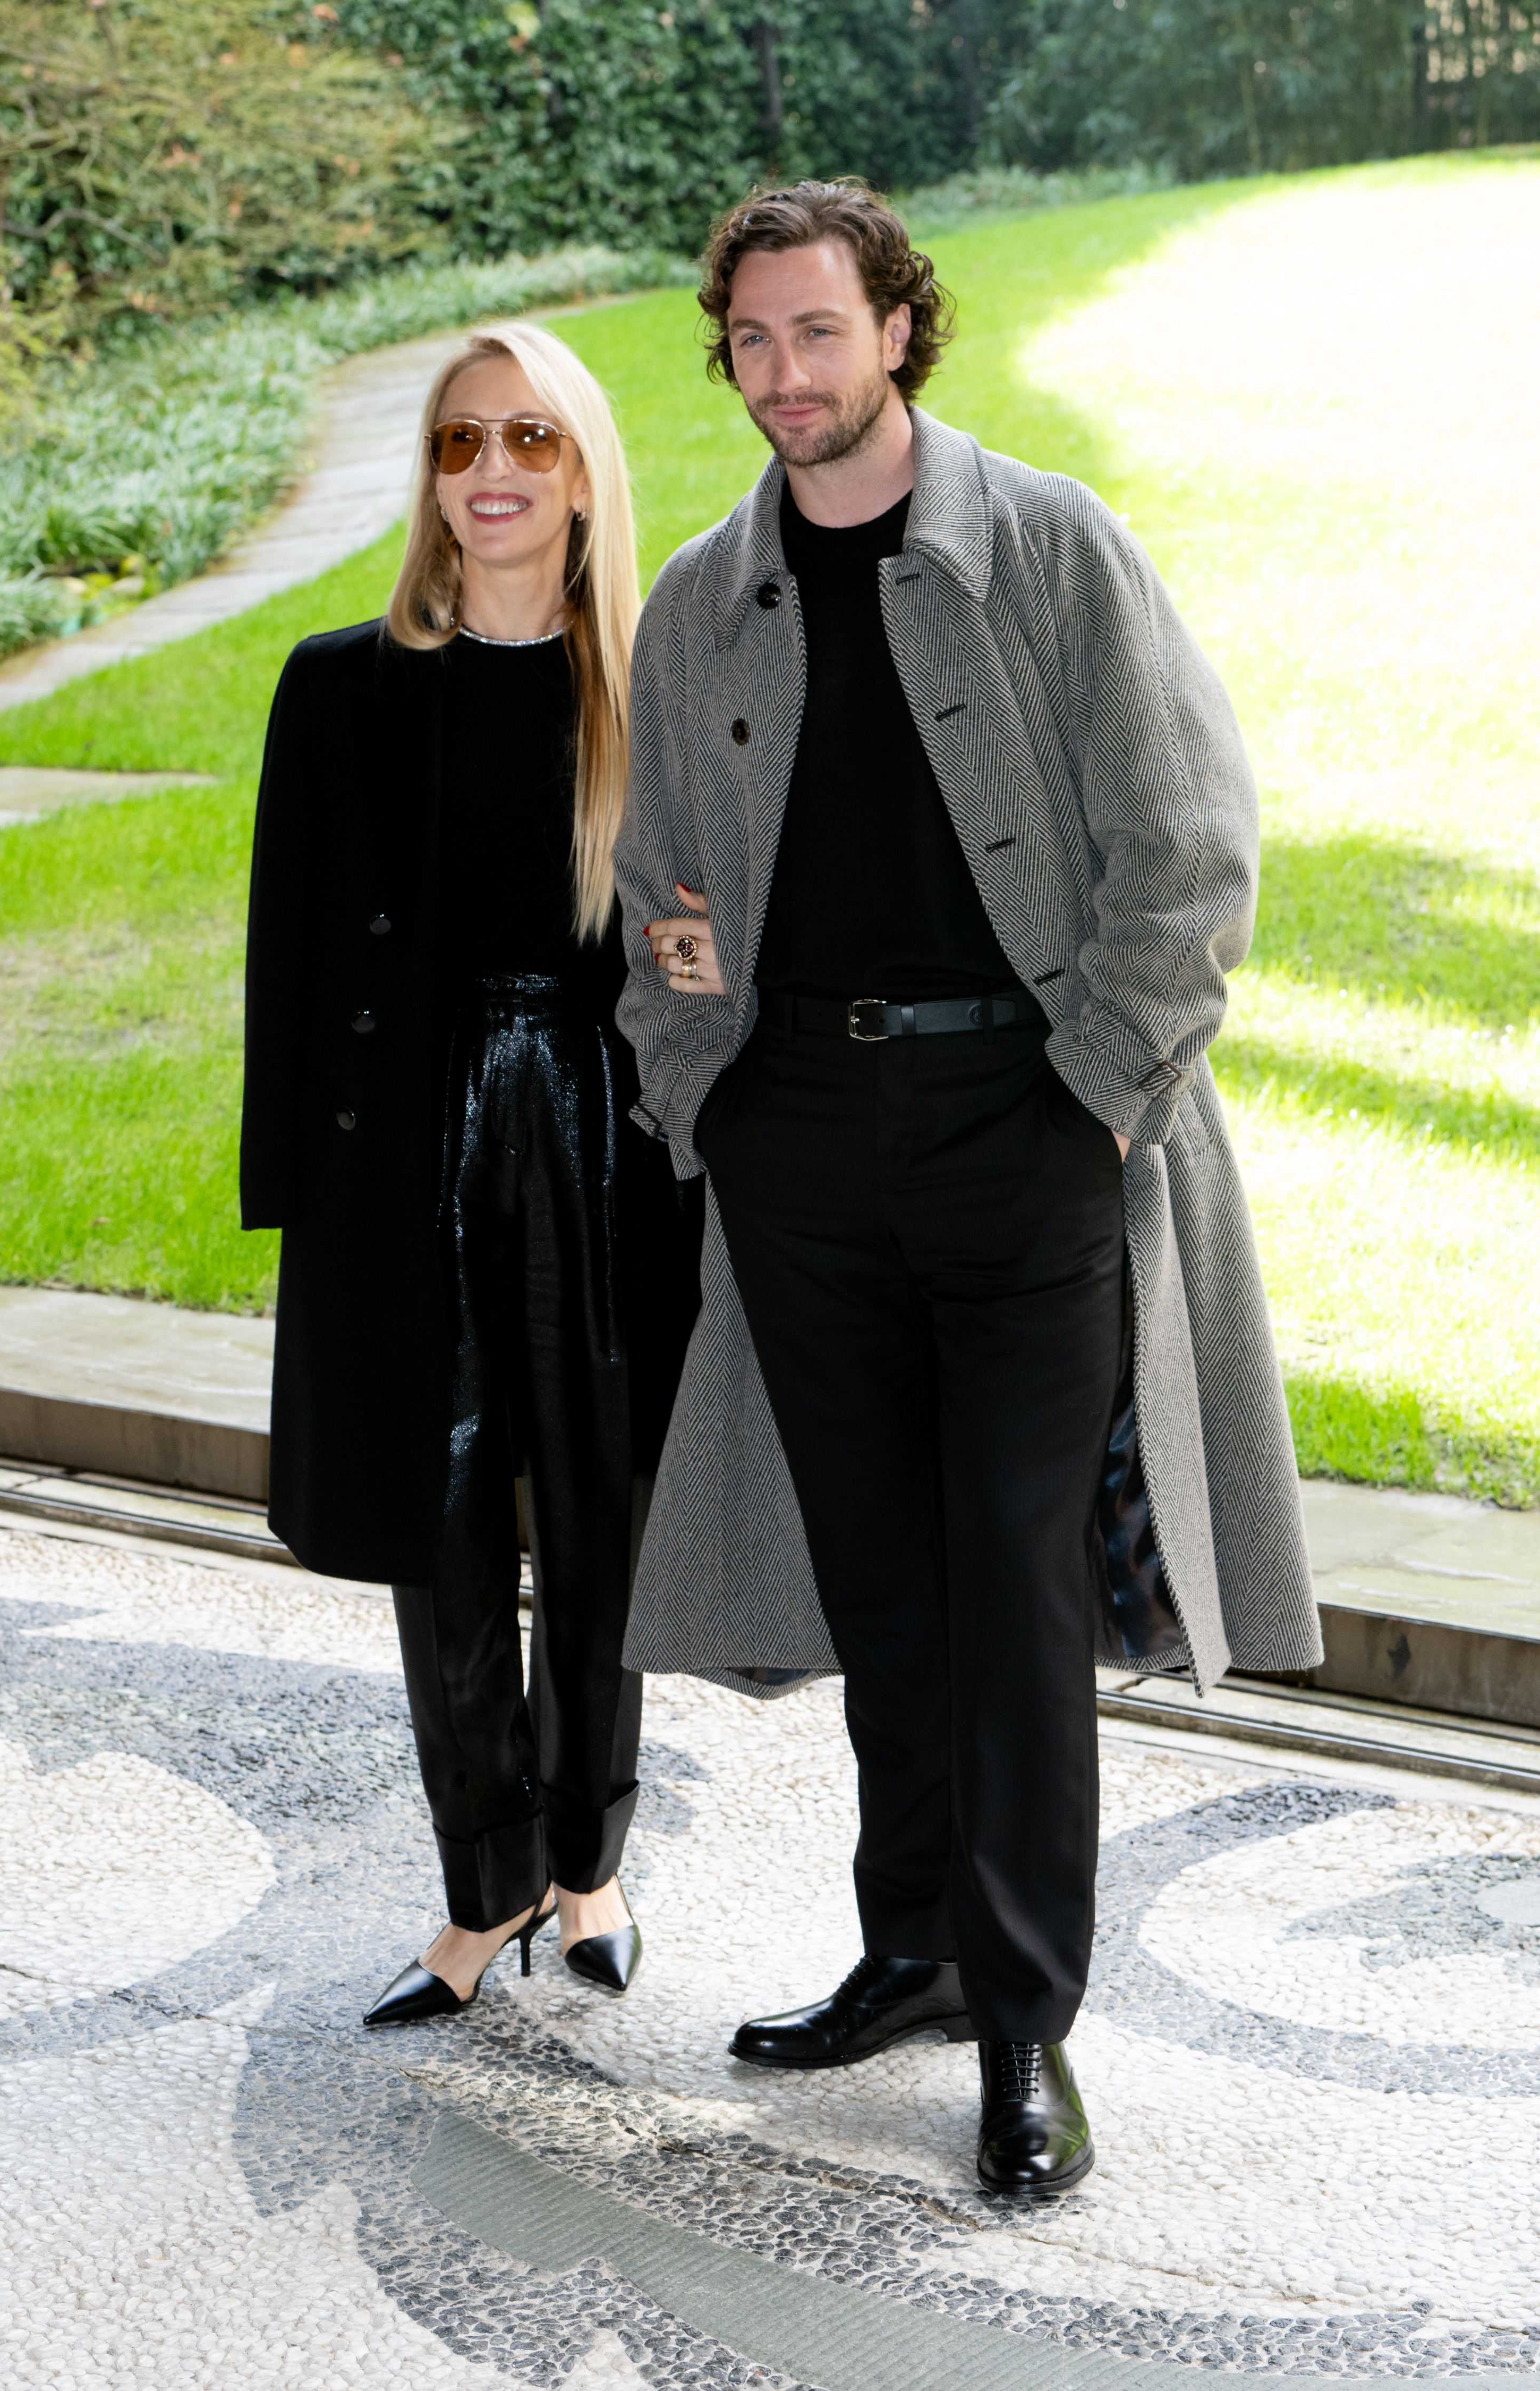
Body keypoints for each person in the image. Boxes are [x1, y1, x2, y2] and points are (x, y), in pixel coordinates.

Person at [613, 181, 1321, 2194]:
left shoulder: (1052, 552)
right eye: (749, 342)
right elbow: (659, 882)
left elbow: (1191, 850)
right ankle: (911, 1945)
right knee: (885, 1582)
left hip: (1027, 1143)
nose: (783, 378)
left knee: (1012, 1593)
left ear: (899, 331)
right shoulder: (699, 600)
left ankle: (1024, 2019)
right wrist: (710, 1107)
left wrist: (1094, 1096)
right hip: (805, 1157)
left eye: (817, 333)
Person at [240, 320, 701, 2028]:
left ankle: (590, 1863)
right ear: (431, 480)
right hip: (405, 1161)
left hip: (609, 1148)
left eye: (528, 439)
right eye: (458, 443)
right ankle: (483, 1881)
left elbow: (724, 936)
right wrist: (291, 1200)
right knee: (440, 1529)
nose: (492, 472)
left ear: (585, 473)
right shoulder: (338, 684)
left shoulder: (655, 683)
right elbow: (286, 963)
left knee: (605, 1517)